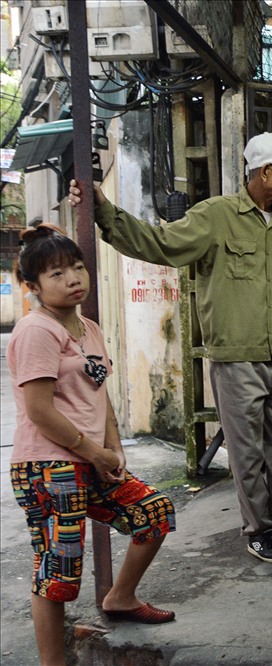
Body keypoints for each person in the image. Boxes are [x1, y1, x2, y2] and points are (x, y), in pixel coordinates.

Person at [68, 132, 272, 564]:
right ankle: (259, 530)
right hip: (236, 358)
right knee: (247, 452)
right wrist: (105, 212)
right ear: (264, 172)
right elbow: (159, 243)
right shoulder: (216, 216)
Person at [9, 226, 177, 666]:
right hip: (48, 466)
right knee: (58, 570)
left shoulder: (88, 328)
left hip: (89, 458)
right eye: (57, 273)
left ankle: (120, 597)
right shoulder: (36, 331)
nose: (72, 279)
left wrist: (113, 450)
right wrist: (93, 451)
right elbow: (40, 411)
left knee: (153, 512)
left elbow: (99, 394)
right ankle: (54, 662)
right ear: (33, 287)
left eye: (77, 267)